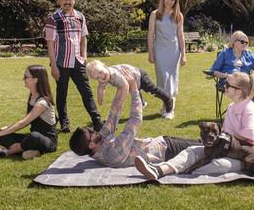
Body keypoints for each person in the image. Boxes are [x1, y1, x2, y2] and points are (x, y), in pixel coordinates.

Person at [133, 72, 254, 179]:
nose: (224, 87)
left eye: (228, 85)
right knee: (192, 151)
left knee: (217, 164)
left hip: (244, 155)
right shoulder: (233, 107)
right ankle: (159, 170)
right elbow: (226, 134)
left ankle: (188, 171)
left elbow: (249, 138)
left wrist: (223, 136)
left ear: (239, 92)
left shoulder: (249, 109)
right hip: (225, 149)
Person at [68, 60, 198, 167]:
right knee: (206, 147)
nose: (93, 129)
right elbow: (135, 120)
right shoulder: (113, 151)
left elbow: (112, 118)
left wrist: (120, 95)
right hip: (167, 150)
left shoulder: (99, 144)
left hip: (162, 142)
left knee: (203, 142)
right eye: (91, 132)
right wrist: (134, 89)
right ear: (91, 145)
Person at [45, 0, 103, 133]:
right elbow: (50, 44)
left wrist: (84, 57)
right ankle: (65, 124)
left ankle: (97, 122)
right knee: (62, 93)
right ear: (59, 0)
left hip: (78, 63)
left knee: (87, 93)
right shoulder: (53, 19)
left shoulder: (80, 17)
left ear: (74, 0)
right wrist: (53, 66)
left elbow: (84, 38)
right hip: (61, 64)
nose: (67, 2)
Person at [0, 65, 58, 160]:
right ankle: (28, 149)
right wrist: (2, 131)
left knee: (33, 136)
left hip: (47, 141)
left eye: (26, 77)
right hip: (32, 138)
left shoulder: (42, 103)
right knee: (2, 133)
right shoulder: (32, 97)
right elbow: (24, 120)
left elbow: (23, 123)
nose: (24, 79)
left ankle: (8, 152)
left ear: (35, 80)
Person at [209, 30, 254, 122]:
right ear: (234, 41)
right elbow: (214, 70)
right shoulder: (225, 53)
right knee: (246, 84)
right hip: (228, 83)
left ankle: (249, 113)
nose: (245, 44)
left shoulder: (249, 54)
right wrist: (226, 76)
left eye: (246, 42)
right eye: (242, 42)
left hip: (245, 83)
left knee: (247, 83)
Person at [86, 60, 175, 119]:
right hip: (134, 81)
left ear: (105, 66)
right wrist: (100, 98)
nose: (101, 77)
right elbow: (100, 88)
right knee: (135, 90)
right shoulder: (103, 79)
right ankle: (142, 103)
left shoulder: (115, 75)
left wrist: (120, 104)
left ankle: (169, 100)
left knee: (153, 91)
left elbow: (125, 87)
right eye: (97, 77)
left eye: (101, 72)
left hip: (140, 77)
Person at [147, 0, 186, 119]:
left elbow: (180, 36)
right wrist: (150, 52)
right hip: (159, 50)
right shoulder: (155, 14)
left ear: (176, 1)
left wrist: (184, 54)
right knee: (162, 77)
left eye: (172, 0)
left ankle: (168, 108)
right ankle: (167, 101)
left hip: (174, 51)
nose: (169, 2)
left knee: (171, 78)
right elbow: (151, 34)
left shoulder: (178, 16)